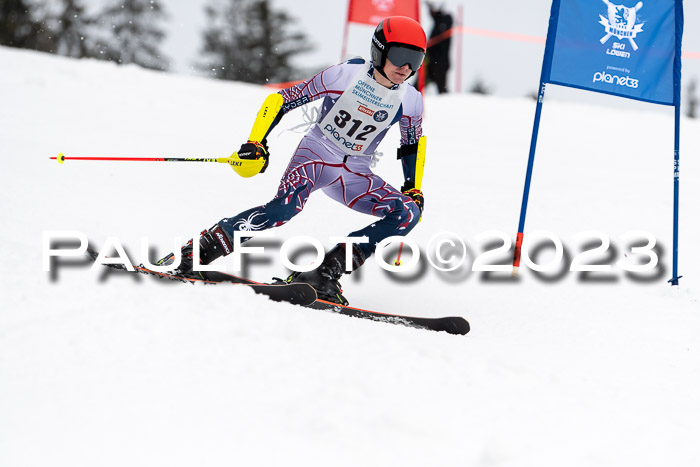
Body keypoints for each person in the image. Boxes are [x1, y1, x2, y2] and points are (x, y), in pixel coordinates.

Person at [159, 16, 427, 305]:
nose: (406, 67)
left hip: (355, 172)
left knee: (408, 213)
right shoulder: (345, 76)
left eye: (416, 59)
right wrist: (255, 141)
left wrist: (413, 186)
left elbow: (412, 143)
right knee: (284, 209)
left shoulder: (410, 100)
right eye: (400, 56)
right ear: (379, 51)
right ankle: (195, 253)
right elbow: (283, 99)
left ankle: (324, 273)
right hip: (316, 156)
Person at [426, 3, 453, 94]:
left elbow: (445, 23)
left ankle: (448, 106)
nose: (429, 12)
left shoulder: (444, 20)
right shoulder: (437, 22)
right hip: (431, 63)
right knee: (417, 87)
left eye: (430, 9)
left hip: (440, 64)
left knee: (442, 90)